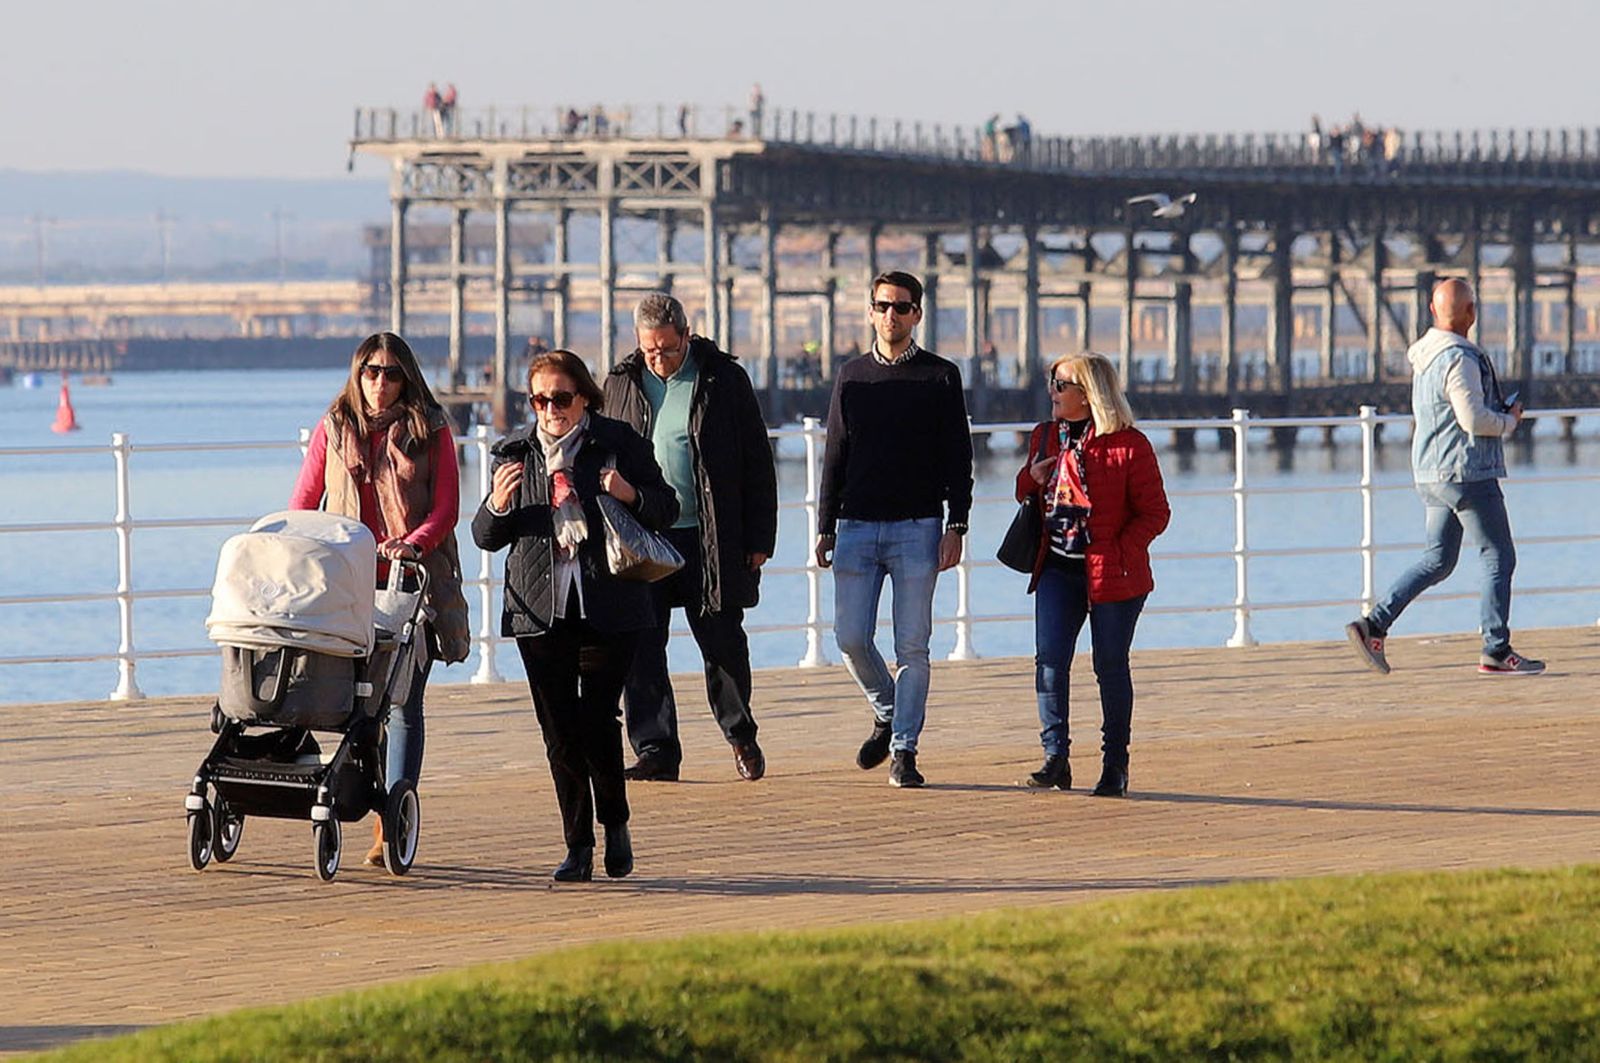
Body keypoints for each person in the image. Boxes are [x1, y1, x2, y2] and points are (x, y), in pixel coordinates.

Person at [472, 350, 679, 882]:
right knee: (560, 732)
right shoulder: (514, 453)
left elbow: (667, 508)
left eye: (561, 398)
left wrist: (627, 492)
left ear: (584, 396)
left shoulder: (618, 443)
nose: (550, 410)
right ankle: (577, 847)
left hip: (611, 606)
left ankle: (616, 822)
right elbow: (486, 538)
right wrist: (497, 505)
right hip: (539, 611)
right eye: (540, 399)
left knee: (597, 722)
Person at [287, 332, 471, 866]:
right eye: (371, 371)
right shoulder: (335, 426)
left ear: (407, 376)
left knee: (402, 702)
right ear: (357, 373)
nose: (381, 383)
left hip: (413, 583)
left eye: (392, 373)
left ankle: (393, 821)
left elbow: (445, 508)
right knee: (347, 701)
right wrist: (292, 545)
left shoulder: (430, 428)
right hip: (349, 582)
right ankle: (350, 797)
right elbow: (304, 499)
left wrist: (410, 544)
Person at [603, 293, 778, 783]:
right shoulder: (621, 381)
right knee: (641, 644)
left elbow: (757, 463)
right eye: (649, 350)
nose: (659, 359)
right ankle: (656, 749)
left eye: (668, 349)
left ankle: (741, 734)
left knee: (722, 641)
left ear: (686, 334)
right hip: (642, 536)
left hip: (710, 535)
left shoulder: (724, 379)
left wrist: (760, 537)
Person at [815, 270, 973, 788]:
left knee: (913, 646)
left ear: (917, 315)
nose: (891, 315)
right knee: (851, 637)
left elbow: (959, 455)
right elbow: (835, 451)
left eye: (902, 307)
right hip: (856, 526)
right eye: (883, 306)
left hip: (918, 527)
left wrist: (957, 523)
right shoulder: (851, 376)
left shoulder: (940, 376)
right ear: (871, 311)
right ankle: (887, 709)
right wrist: (825, 525)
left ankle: (905, 748)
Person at [1346, 279, 1543, 676]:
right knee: (1498, 556)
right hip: (1467, 472)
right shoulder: (1460, 358)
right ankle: (1496, 649)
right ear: (1471, 313)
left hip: (1431, 472)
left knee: (1438, 560)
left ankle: (1374, 625)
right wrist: (1508, 420)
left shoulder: (1426, 357)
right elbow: (1472, 418)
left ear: (1433, 312)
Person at [1015, 352, 1170, 798]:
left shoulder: (1129, 444)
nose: (1052, 392)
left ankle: (1114, 765)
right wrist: (1032, 478)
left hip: (1113, 573)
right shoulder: (1046, 436)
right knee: (1049, 662)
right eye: (1052, 382)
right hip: (1057, 567)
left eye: (1062, 384)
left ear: (1089, 394)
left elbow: (1156, 513)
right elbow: (1024, 492)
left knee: (1110, 666)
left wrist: (1119, 550)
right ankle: (1055, 758)